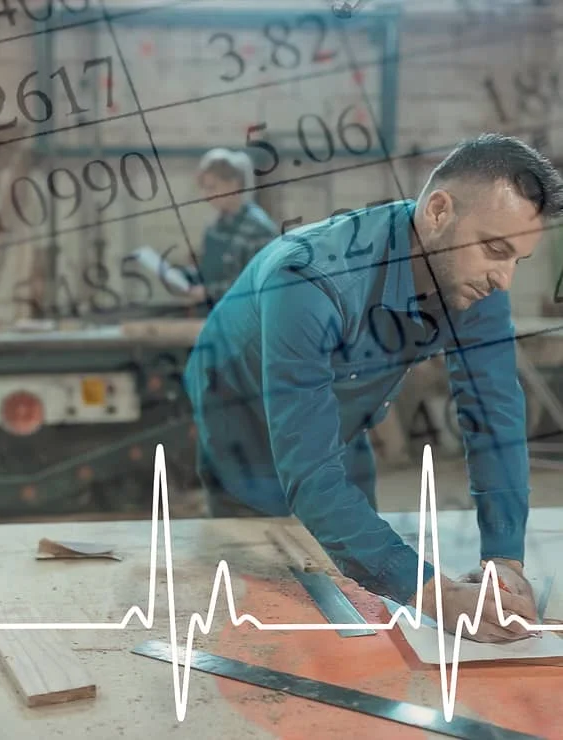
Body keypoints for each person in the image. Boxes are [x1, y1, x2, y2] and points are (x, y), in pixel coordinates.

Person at [183, 133, 563, 642]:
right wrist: (439, 596)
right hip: (237, 406)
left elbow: (494, 413)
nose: (505, 279)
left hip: (346, 404)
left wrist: (504, 559)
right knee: (259, 584)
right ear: (438, 212)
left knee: (360, 571)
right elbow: (311, 476)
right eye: (496, 249)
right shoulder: (307, 280)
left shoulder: (476, 278)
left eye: (518, 258)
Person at [182, 148, 279, 305]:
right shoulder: (214, 227)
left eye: (212, 187)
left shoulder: (259, 230)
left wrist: (209, 292)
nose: (206, 195)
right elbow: (211, 275)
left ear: (234, 184)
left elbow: (258, 285)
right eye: (204, 188)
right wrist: (187, 275)